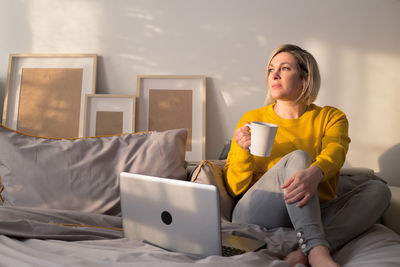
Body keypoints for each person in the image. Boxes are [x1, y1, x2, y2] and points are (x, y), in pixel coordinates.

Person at [223, 44, 391, 267]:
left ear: (305, 78)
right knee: (298, 157)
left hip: (311, 211)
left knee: (379, 190)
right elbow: (234, 188)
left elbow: (336, 151)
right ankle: (317, 250)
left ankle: (304, 251)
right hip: (256, 211)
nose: (274, 74)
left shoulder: (331, 117)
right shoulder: (252, 118)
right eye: (271, 69)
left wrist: (316, 173)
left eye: (284, 68)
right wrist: (243, 151)